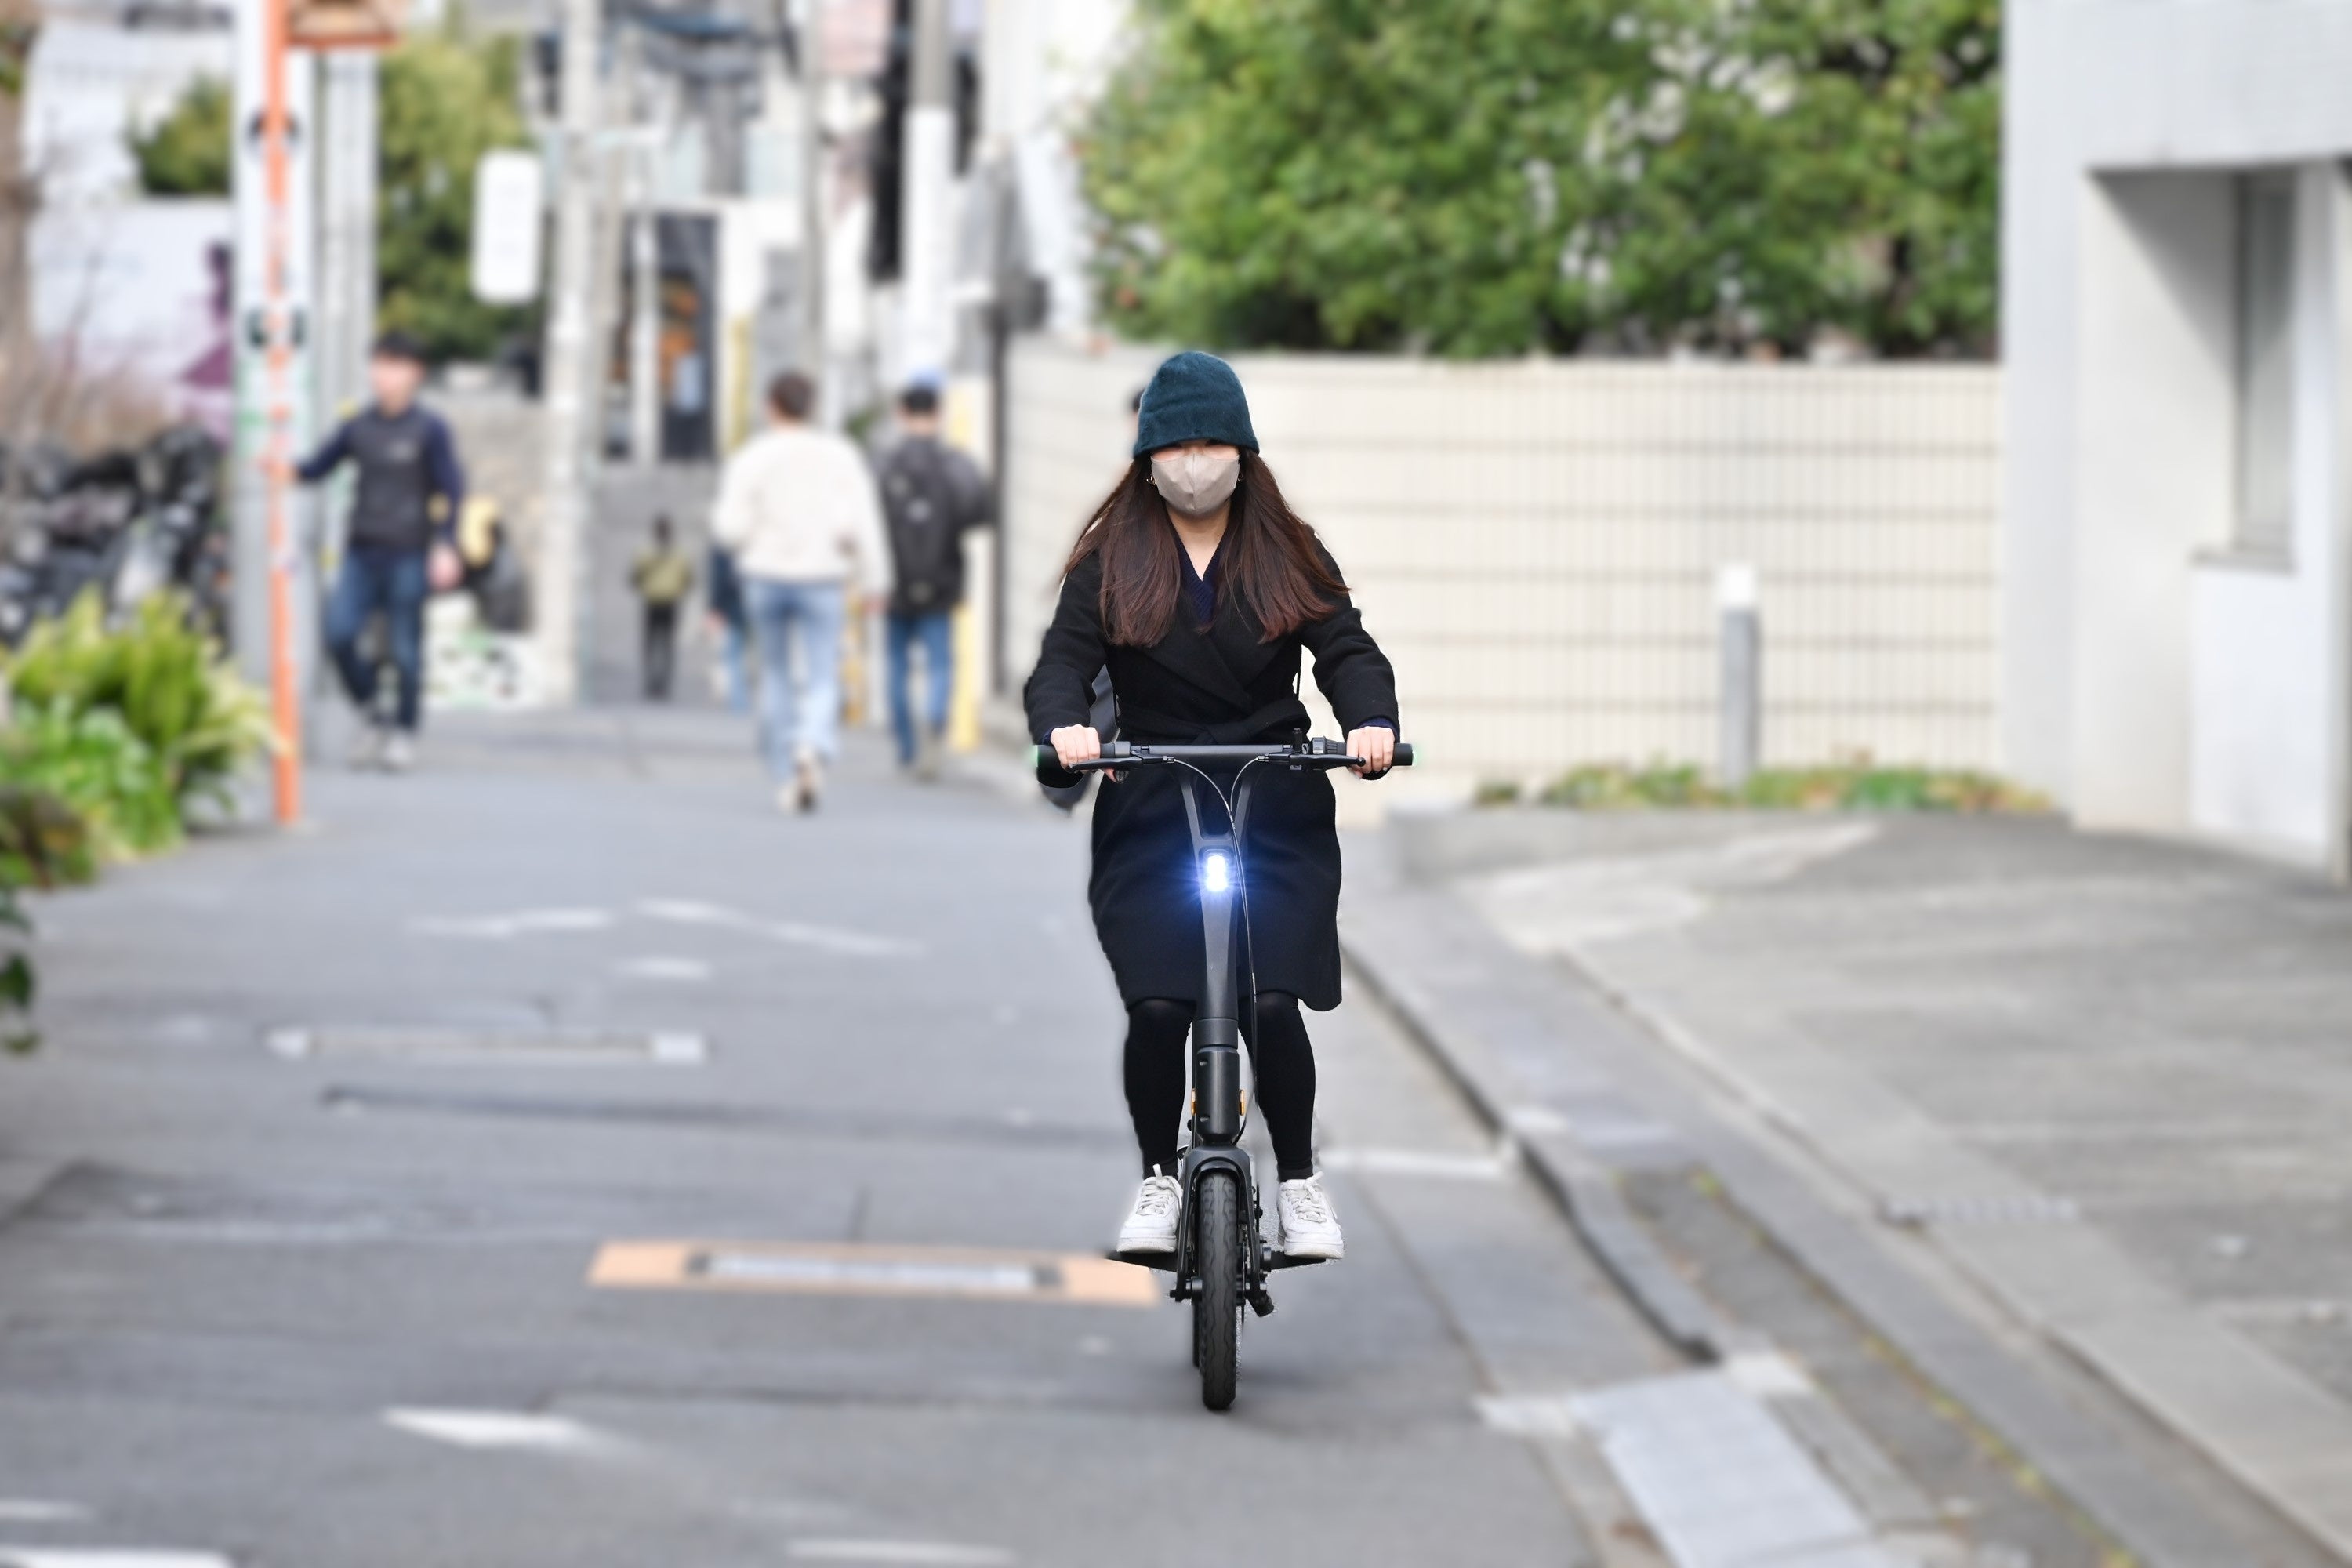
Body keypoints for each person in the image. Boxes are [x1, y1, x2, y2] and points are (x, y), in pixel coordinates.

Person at [1025, 351, 1399, 1262]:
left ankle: (1300, 1181)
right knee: (1158, 1006)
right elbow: (1062, 664)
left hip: (1273, 791)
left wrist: (1371, 723)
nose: (1194, 462)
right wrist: (1066, 728)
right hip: (1153, 793)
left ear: (1242, 451)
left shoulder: (1288, 550)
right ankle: (1158, 1175)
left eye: (1210, 443)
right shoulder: (1113, 557)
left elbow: (1346, 648)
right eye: (1176, 445)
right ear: (1147, 455)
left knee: (1270, 997)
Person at [710, 371, 891, 812]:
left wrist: (755, 535)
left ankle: (784, 771)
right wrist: (876, 580)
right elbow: (866, 522)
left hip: (765, 575)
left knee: (774, 673)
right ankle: (812, 744)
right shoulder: (840, 456)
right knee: (822, 672)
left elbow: (728, 529)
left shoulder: (752, 458)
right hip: (823, 575)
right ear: (811, 408)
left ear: (770, 406)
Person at [294, 329, 466, 772]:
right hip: (361, 551)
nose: (382, 374)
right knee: (338, 633)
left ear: (415, 373)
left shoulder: (429, 429)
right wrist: (283, 468)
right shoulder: (359, 426)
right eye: (378, 364)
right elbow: (316, 467)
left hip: (409, 553)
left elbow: (452, 490)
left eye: (392, 365)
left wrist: (447, 544)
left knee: (406, 651)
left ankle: (404, 732)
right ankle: (373, 712)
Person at [876, 383, 992, 777]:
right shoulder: (956, 464)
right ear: (939, 414)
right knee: (940, 663)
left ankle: (906, 745)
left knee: (896, 663)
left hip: (892, 579)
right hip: (942, 577)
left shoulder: (883, 463)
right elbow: (979, 513)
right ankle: (934, 725)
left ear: (901, 413)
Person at [630, 514, 695, 700]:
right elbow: (689, 579)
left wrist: (645, 585)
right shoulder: (679, 554)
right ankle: (663, 682)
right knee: (666, 644)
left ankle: (652, 680)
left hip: (653, 600)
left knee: (651, 644)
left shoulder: (646, 553)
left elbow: (635, 577)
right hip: (669, 601)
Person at [706, 540, 751, 713]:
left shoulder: (723, 549)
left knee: (733, 655)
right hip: (755, 606)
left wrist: (715, 608)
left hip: (734, 610)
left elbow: (719, 581)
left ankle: (739, 702)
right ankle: (741, 699)